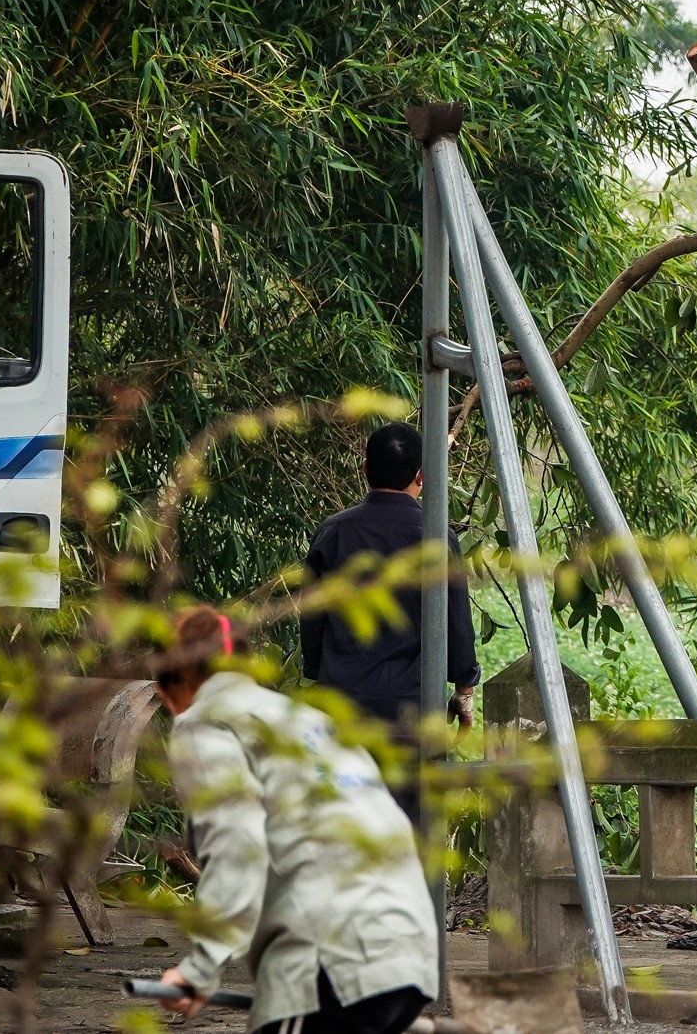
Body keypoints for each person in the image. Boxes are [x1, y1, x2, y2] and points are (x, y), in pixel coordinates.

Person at [154, 607, 438, 1034]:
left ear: (175, 677)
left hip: (328, 960)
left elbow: (237, 844)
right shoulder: (308, 721)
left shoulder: (206, 723)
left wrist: (199, 970)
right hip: (408, 951)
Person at [301, 422, 479, 822]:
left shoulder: (333, 532)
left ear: (365, 468)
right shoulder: (437, 537)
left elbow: (311, 616)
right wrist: (464, 686)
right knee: (411, 836)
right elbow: (456, 621)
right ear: (422, 476)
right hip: (410, 712)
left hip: (342, 709)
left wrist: (317, 670)